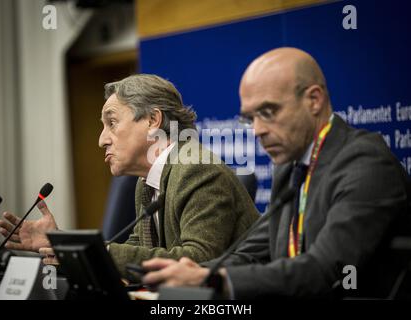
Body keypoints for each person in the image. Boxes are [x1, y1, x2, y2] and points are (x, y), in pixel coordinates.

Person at [140, 48, 410, 299]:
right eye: (250, 118)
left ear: (314, 100)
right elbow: (250, 252)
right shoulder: (290, 166)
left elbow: (324, 268)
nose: (257, 130)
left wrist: (215, 282)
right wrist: (186, 278)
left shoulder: (366, 165)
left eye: (268, 112)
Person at [0, 74, 259, 275]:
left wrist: (93, 252)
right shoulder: (147, 181)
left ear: (152, 121)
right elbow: (137, 252)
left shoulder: (196, 168)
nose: (102, 140)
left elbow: (198, 260)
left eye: (112, 123)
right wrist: (61, 244)